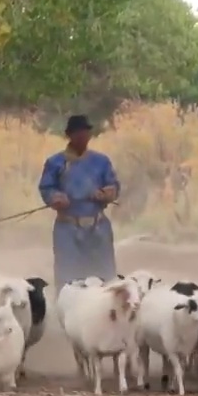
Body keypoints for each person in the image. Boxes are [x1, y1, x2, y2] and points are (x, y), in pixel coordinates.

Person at [38, 114, 121, 289]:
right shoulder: (56, 163)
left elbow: (113, 186)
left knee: (105, 280)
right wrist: (56, 197)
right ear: (69, 135)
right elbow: (46, 188)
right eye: (78, 133)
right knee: (69, 281)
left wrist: (106, 193)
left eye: (85, 132)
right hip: (67, 229)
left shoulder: (101, 161)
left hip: (98, 228)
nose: (82, 136)